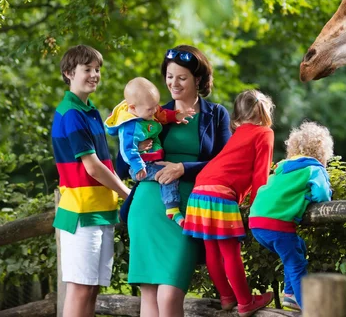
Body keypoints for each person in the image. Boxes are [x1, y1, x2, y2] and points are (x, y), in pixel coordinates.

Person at [123, 45, 231, 317]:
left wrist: (184, 167)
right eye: (170, 76)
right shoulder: (153, 112)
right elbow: (122, 162)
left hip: (188, 208)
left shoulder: (216, 115)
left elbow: (225, 162)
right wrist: (140, 148)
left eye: (181, 77)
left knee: (170, 293)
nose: (174, 83)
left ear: (198, 79)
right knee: (149, 292)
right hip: (148, 204)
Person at [51, 44, 130, 317]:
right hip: (81, 214)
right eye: (87, 69)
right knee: (80, 289)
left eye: (97, 69)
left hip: (101, 212)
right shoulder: (71, 114)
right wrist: (126, 193)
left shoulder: (89, 111)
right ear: (68, 73)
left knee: (93, 289)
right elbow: (93, 168)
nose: (94, 75)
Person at [183, 89, 276, 317]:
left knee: (212, 247)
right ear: (266, 112)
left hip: (200, 189)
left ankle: (227, 297)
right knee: (230, 251)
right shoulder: (265, 133)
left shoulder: (239, 133)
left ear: (236, 118)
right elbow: (260, 175)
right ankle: (245, 302)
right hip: (220, 193)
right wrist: (257, 206)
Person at [248, 121, 334, 311]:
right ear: (323, 152)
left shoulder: (283, 167)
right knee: (296, 265)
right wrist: (310, 197)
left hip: (256, 221)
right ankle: (309, 308)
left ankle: (289, 295)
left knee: (298, 247)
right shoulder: (314, 169)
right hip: (277, 225)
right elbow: (322, 195)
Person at [105, 77, 195, 227]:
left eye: (155, 106)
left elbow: (162, 114)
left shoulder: (146, 110)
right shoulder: (129, 126)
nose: (154, 110)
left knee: (166, 174)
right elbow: (127, 150)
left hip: (151, 160)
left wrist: (177, 115)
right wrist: (139, 165)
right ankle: (172, 208)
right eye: (150, 109)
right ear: (133, 108)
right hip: (141, 166)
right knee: (167, 176)